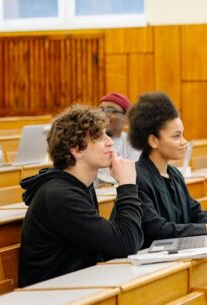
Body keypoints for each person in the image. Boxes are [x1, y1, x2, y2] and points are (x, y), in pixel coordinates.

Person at [18, 105, 143, 287]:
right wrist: (127, 185)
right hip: (52, 296)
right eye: (99, 137)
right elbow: (126, 243)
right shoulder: (60, 196)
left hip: (76, 285)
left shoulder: (80, 185)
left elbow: (113, 244)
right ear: (76, 150)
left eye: (107, 134)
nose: (110, 142)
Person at [122, 92, 207, 249]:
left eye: (182, 135)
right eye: (176, 137)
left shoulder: (174, 174)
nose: (184, 142)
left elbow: (194, 213)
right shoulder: (136, 178)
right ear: (153, 140)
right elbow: (156, 229)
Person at [96, 92, 141, 185]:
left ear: (126, 118)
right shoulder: (90, 141)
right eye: (100, 109)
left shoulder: (132, 142)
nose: (103, 114)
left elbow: (134, 170)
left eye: (110, 110)